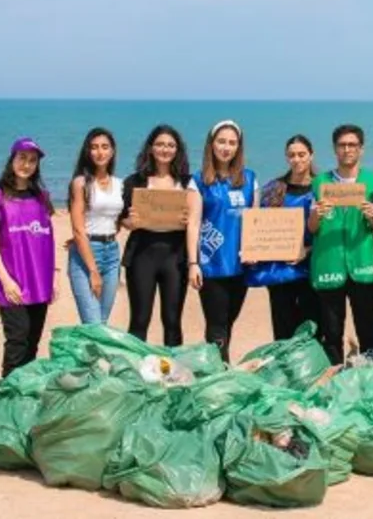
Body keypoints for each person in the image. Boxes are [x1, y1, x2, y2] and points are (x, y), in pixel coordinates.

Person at [0, 137, 57, 377]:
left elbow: (47, 242)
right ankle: (7, 397)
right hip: (12, 282)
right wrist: (6, 280)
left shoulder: (42, 198)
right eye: (22, 158)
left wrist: (53, 278)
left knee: (33, 343)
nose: (27, 164)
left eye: (32, 161)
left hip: (39, 282)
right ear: (12, 159)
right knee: (17, 341)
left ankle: (24, 395)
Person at [309, 124, 373, 364]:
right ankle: (333, 379)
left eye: (352, 145)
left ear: (361, 149)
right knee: (331, 331)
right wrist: (317, 215)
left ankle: (370, 377)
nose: (347, 150)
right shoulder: (319, 182)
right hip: (329, 263)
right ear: (334, 149)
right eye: (342, 145)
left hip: (362, 263)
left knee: (367, 327)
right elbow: (311, 228)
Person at [187, 120, 256, 362]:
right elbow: (193, 223)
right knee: (216, 326)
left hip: (241, 265)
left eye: (232, 143)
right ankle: (220, 374)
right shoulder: (198, 181)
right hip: (212, 264)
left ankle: (216, 367)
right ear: (211, 144)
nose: (226, 147)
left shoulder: (250, 179)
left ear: (239, 147)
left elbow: (256, 220)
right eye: (222, 141)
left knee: (228, 322)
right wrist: (193, 263)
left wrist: (256, 250)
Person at [121, 124, 196, 347]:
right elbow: (121, 219)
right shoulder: (134, 182)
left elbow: (197, 218)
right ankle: (133, 370)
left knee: (172, 320)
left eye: (171, 145)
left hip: (176, 255)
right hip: (142, 252)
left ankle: (173, 372)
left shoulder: (187, 182)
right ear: (151, 148)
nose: (165, 149)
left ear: (177, 150)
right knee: (139, 319)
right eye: (160, 144)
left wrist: (187, 221)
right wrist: (130, 223)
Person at [252, 135, 321, 341]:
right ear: (286, 157)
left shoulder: (322, 186)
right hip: (279, 271)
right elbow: (259, 226)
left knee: (313, 324)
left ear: (311, 155)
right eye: (292, 155)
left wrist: (307, 251)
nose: (297, 159)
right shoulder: (273, 188)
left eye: (302, 154)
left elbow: (330, 229)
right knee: (283, 326)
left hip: (312, 266)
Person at [66, 127, 123, 326]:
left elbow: (116, 221)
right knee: (93, 324)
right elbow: (78, 229)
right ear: (87, 152)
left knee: (103, 322)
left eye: (105, 147)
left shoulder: (119, 184)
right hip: (86, 256)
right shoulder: (81, 183)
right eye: (94, 147)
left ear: (112, 151)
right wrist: (93, 270)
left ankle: (94, 358)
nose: (100, 152)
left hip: (112, 254)